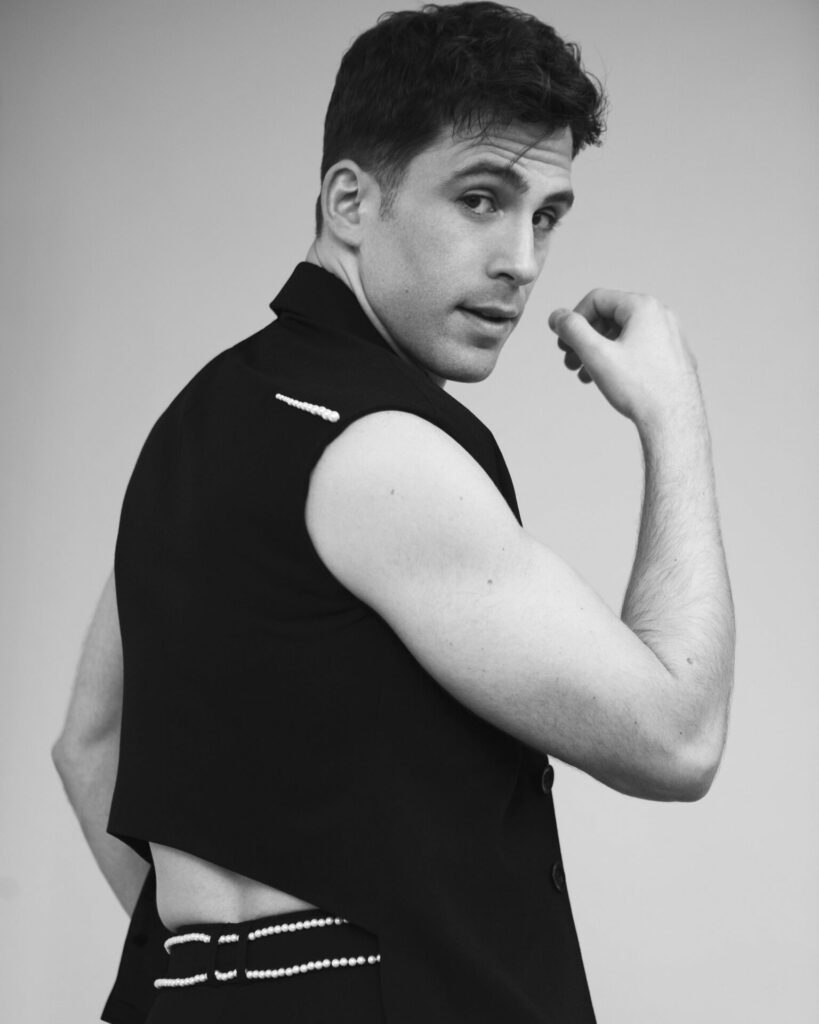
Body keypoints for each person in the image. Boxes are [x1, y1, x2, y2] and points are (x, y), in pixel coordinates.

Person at [52, 3, 736, 1022]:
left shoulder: (194, 429)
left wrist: (219, 980)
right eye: (480, 198)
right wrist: (674, 417)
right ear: (349, 201)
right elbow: (677, 735)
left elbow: (89, 746)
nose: (522, 258)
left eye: (546, 215)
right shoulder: (383, 449)